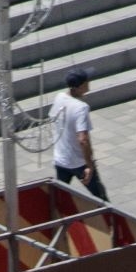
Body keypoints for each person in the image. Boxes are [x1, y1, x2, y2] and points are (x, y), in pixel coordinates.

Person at [49, 67, 104, 198]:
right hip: (79, 163)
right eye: (87, 82)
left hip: (60, 160)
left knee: (60, 199)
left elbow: (52, 118)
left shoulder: (59, 97)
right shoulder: (81, 108)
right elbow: (83, 140)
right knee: (101, 200)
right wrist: (89, 166)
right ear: (81, 86)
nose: (89, 83)